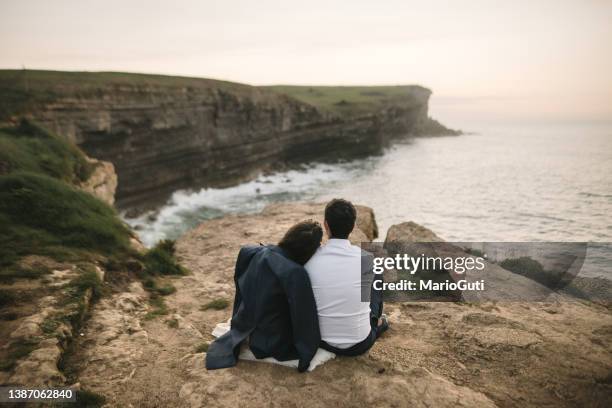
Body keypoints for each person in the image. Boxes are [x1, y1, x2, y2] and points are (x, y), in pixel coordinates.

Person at [206, 220, 323, 372]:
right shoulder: (296, 273)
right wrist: (306, 354)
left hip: (243, 328)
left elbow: (241, 293)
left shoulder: (250, 252)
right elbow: (304, 319)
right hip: (271, 343)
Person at [305, 199, 388, 356]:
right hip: (359, 344)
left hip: (320, 340)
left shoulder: (310, 258)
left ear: (326, 225)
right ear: (353, 226)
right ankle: (376, 321)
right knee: (375, 275)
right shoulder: (367, 259)